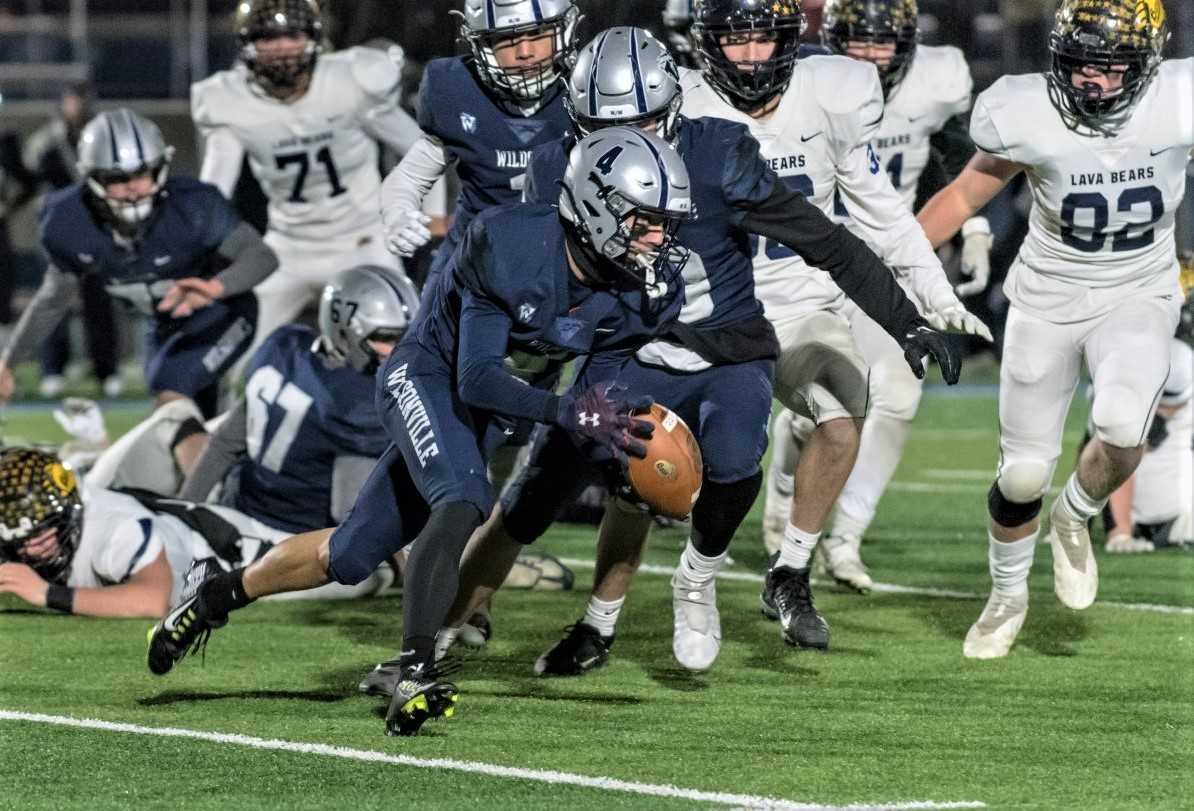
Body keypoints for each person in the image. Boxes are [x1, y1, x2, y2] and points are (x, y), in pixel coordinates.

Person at [440, 25, 961, 678]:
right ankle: (440, 632)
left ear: (672, 110)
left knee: (734, 462)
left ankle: (696, 579)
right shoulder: (556, 165)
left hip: (725, 348)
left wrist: (904, 318)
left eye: (641, 124)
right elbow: (534, 270)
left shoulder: (717, 153)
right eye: (604, 128)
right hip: (627, 349)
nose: (625, 143)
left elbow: (823, 239)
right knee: (536, 495)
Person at [144, 127, 691, 737]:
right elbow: (477, 377)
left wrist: (616, 446)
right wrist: (566, 412)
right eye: (646, 221)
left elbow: (596, 394)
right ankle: (414, 674)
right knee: (463, 499)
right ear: (594, 206)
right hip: (430, 374)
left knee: (349, 555)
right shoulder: (512, 243)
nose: (659, 239)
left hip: (495, 406)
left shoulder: (644, 293)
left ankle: (213, 595)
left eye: (666, 224)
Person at [679, 0, 988, 632]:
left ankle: (791, 571)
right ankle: (609, 613)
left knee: (846, 415)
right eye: (736, 39)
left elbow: (886, 214)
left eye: (765, 38)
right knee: (669, 472)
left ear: (791, 40)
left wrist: (936, 297)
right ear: (707, 43)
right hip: (701, 310)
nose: (753, 56)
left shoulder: (829, 97)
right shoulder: (678, 105)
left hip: (799, 303)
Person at [914, 0, 1191, 658]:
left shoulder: (1177, 101)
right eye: (1079, 64)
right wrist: (889, 269)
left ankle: (1076, 513)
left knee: (1122, 428)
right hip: (1046, 299)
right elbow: (963, 194)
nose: (1091, 80)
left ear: (1147, 64)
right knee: (1020, 476)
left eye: (1110, 66)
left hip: (1137, 291)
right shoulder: (1027, 110)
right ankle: (1007, 595)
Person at [761, 0, 994, 592]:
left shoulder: (935, 82)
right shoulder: (807, 83)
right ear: (832, 41)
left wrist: (974, 228)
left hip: (885, 262)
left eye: (882, 41)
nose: (869, 55)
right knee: (824, 407)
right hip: (808, 266)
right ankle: (785, 496)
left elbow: (952, 159)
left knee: (898, 395)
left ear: (907, 43)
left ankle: (846, 538)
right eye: (858, 40)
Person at [0, 110, 278, 433]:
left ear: (161, 168)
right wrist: (9, 361)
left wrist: (215, 287)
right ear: (92, 178)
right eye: (117, 179)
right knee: (187, 413)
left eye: (142, 174)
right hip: (163, 325)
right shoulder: (69, 221)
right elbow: (52, 299)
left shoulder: (192, 205)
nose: (132, 189)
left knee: (171, 394)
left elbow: (262, 257)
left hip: (223, 313)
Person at [191, 0, 421, 365]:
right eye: (268, 37)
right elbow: (215, 189)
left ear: (314, 38)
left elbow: (420, 149)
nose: (282, 47)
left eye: (292, 35)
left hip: (362, 242)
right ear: (247, 44)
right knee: (238, 364)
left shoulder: (348, 81)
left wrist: (431, 216)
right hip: (286, 250)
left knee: (406, 356)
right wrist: (198, 242)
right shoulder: (229, 100)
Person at [0, 448, 389, 619]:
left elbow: (151, 600)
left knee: (364, 564)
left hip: (247, 554)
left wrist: (47, 593)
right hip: (190, 524)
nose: (33, 545)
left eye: (45, 530)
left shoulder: (113, 526)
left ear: (69, 509)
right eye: (22, 536)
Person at [379, 0, 576, 294]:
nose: (525, 52)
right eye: (507, 38)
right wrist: (398, 212)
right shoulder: (458, 87)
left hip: (568, 258)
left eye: (537, 33)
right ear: (481, 44)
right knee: (428, 320)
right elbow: (410, 176)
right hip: (476, 260)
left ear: (564, 29)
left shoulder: (588, 87)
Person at [22, 81, 121, 399]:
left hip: (96, 231)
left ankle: (106, 370)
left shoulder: (101, 138)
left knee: (99, 301)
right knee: (54, 301)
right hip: (59, 233)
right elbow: (31, 184)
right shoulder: (46, 141)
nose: (76, 106)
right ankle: (53, 369)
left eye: (81, 100)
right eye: (71, 100)